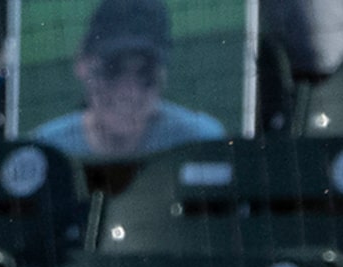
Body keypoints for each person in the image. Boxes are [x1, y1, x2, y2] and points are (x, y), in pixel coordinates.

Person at [29, 0, 226, 162]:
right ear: (83, 64)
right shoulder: (45, 152)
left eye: (145, 73)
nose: (129, 91)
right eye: (112, 70)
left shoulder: (199, 142)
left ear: (162, 75)